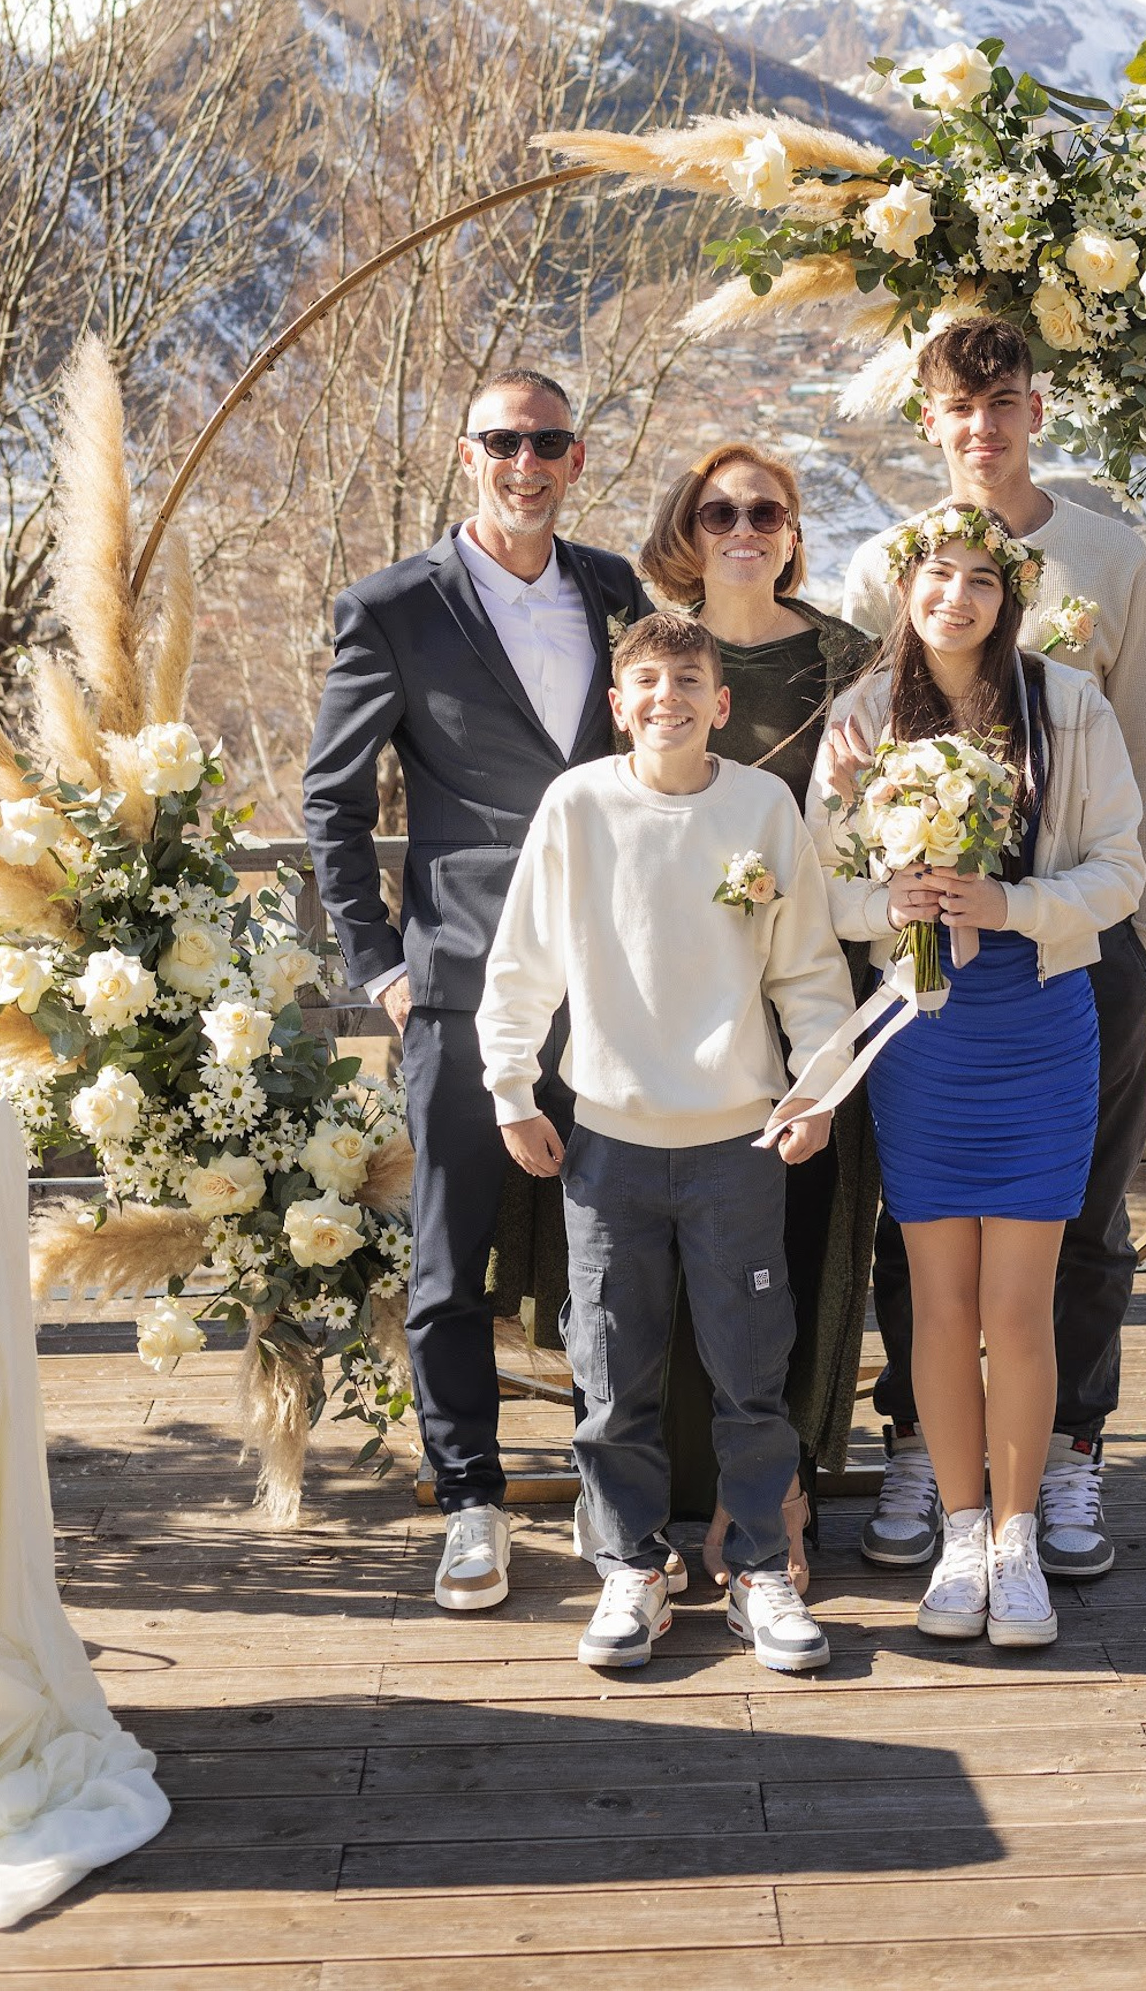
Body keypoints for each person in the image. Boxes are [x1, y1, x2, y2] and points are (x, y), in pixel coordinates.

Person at [302, 368, 652, 1612]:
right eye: (504, 440)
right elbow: (332, 805)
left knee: (619, 1249)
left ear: (574, 455)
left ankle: (627, 1502)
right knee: (449, 1263)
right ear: (467, 456)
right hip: (459, 981)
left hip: (615, 976)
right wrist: (381, 969)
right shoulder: (391, 608)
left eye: (549, 440)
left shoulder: (614, 590)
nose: (528, 461)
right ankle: (471, 1504)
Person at [841, 315, 1146, 1583]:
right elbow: (862, 763)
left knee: (1081, 1213)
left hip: (1077, 948)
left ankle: (1073, 1450)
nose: (982, 427)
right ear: (929, 420)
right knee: (914, 1221)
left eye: (1005, 404)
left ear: (1037, 411)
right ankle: (928, 1444)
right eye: (958, 407)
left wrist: (1139, 929)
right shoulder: (898, 561)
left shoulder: (1109, 556)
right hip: (931, 972)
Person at [477, 611, 857, 1677]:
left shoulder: (762, 806)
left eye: (688, 681)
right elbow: (521, 967)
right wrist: (512, 1091)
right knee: (612, 1371)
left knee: (750, 1367)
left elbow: (810, 975)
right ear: (617, 704)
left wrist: (817, 1089)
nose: (667, 700)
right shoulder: (579, 806)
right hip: (607, 1144)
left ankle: (760, 1571)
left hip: (741, 1141)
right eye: (646, 682)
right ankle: (631, 1570)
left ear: (720, 704)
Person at [809, 504, 1143, 1645]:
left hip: (1040, 1020)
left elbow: (1121, 872)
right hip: (923, 1029)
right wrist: (881, 900)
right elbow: (824, 888)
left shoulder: (1069, 706)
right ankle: (957, 1536)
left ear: (1012, 599)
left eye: (982, 581)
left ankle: (1017, 1542)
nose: (956, 596)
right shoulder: (858, 716)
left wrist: (1014, 904)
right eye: (935, 575)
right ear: (904, 587)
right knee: (941, 1303)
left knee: (1019, 1303)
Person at [638, 443, 877, 1550]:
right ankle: (671, 1495)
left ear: (792, 530)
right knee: (669, 1245)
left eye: (766, 510)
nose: (744, 527)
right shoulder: (646, 655)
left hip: (814, 975)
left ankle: (780, 1488)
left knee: (803, 1229)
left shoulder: (856, 662)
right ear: (688, 528)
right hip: (668, 989)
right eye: (719, 509)